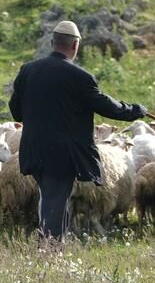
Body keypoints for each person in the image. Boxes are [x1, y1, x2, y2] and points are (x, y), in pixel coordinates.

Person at [8, 20, 145, 240]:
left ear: (53, 43)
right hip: (63, 153)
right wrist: (135, 110)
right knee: (56, 199)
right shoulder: (80, 77)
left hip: (33, 148)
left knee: (50, 197)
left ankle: (53, 242)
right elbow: (107, 106)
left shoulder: (28, 70)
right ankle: (50, 247)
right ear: (75, 46)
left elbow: (16, 111)